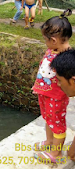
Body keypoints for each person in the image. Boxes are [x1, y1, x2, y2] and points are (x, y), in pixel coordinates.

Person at [33, 9, 72, 164]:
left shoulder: (66, 58)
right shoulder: (53, 49)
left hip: (56, 97)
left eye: (45, 39)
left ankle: (55, 154)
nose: (45, 42)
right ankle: (49, 143)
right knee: (49, 120)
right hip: (45, 93)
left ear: (54, 40)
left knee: (57, 124)